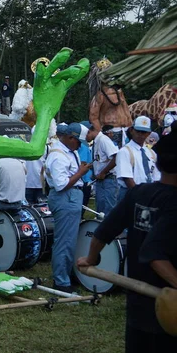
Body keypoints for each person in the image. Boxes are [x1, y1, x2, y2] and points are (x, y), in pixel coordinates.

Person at [77, 122, 177, 353]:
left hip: (138, 307)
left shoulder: (139, 194)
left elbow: (104, 232)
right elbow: (154, 254)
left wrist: (91, 259)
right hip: (172, 310)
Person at [44, 123, 92, 292]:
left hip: (71, 196)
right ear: (70, 138)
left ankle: (66, 275)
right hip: (66, 197)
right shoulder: (58, 156)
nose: (80, 146)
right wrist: (81, 172)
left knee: (69, 240)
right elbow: (61, 185)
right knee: (64, 242)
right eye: (79, 142)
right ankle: (61, 282)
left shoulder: (68, 151)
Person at [115, 116, 160, 203]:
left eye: (144, 132)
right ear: (132, 130)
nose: (140, 135)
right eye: (138, 131)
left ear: (149, 133)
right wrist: (140, 197)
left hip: (149, 194)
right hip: (131, 193)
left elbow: (156, 177)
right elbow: (127, 178)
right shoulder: (125, 151)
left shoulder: (151, 153)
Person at [87, 123, 119, 216]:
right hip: (101, 180)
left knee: (108, 209)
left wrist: (103, 172)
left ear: (91, 131)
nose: (85, 138)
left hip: (108, 179)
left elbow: (116, 157)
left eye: (86, 135)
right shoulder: (96, 141)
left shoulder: (103, 140)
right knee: (100, 211)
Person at [77, 123, 94, 212]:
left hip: (84, 179)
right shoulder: (84, 145)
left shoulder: (83, 144)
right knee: (81, 208)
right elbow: (82, 163)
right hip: (84, 180)